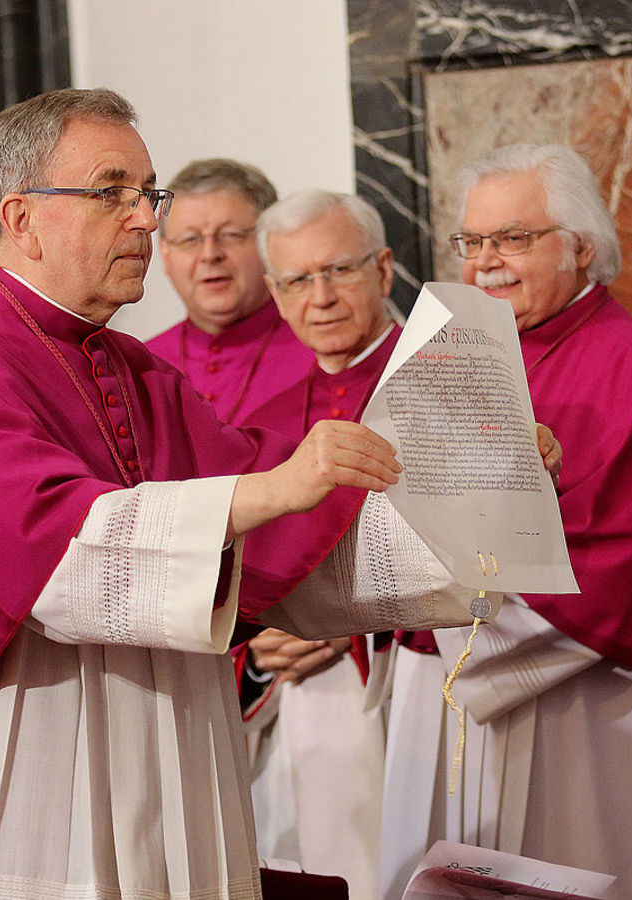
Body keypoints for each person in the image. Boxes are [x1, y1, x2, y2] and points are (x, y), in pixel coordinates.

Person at [0, 87, 410, 900]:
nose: (144, 219)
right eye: (111, 193)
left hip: (174, 753)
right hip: (33, 753)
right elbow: (46, 544)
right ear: (20, 218)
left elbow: (282, 522)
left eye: (147, 193)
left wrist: (479, 477)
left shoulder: (134, 370)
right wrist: (273, 489)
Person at [375, 143, 632, 900]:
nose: (486, 262)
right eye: (471, 242)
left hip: (602, 712)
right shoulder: (460, 355)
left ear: (582, 247)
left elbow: (628, 565)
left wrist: (438, 613)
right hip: (472, 681)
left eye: (514, 238)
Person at [234, 189, 404, 898]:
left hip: (407, 702)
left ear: (385, 271)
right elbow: (236, 584)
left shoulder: (445, 387)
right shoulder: (263, 423)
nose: (322, 296)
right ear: (274, 293)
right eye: (299, 280)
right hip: (296, 713)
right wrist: (256, 653)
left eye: (339, 270)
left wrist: (358, 622)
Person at [147, 157, 312, 420]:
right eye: (190, 239)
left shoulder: (320, 349)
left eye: (232, 235)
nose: (210, 255)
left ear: (270, 245)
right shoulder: (140, 365)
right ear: (165, 255)